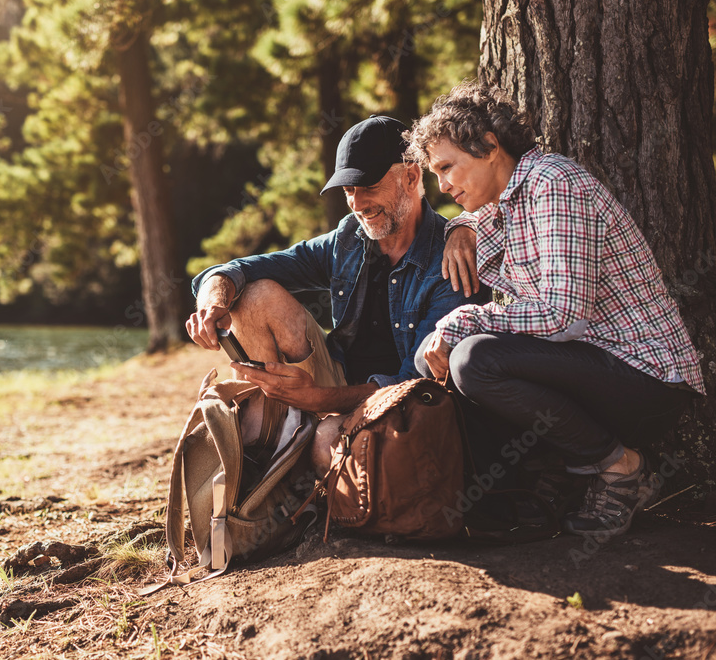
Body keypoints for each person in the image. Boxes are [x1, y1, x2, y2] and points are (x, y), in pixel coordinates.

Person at [404, 81, 705, 540]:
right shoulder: (501, 203)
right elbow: (471, 222)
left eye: (447, 168)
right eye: (435, 174)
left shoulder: (552, 186)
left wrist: (463, 321)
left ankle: (623, 468)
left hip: (647, 381)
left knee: (474, 359)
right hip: (593, 371)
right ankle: (552, 475)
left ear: (488, 146)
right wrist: (458, 228)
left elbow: (564, 316)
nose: (442, 186)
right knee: (438, 359)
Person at [186, 115, 479, 476]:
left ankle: (291, 447)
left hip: (401, 403)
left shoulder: (450, 258)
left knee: (328, 443)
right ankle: (283, 431)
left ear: (411, 176)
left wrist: (316, 399)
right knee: (254, 294)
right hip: (336, 379)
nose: (357, 203)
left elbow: (415, 382)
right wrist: (212, 299)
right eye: (348, 190)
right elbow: (248, 268)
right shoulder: (349, 237)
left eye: (367, 186)